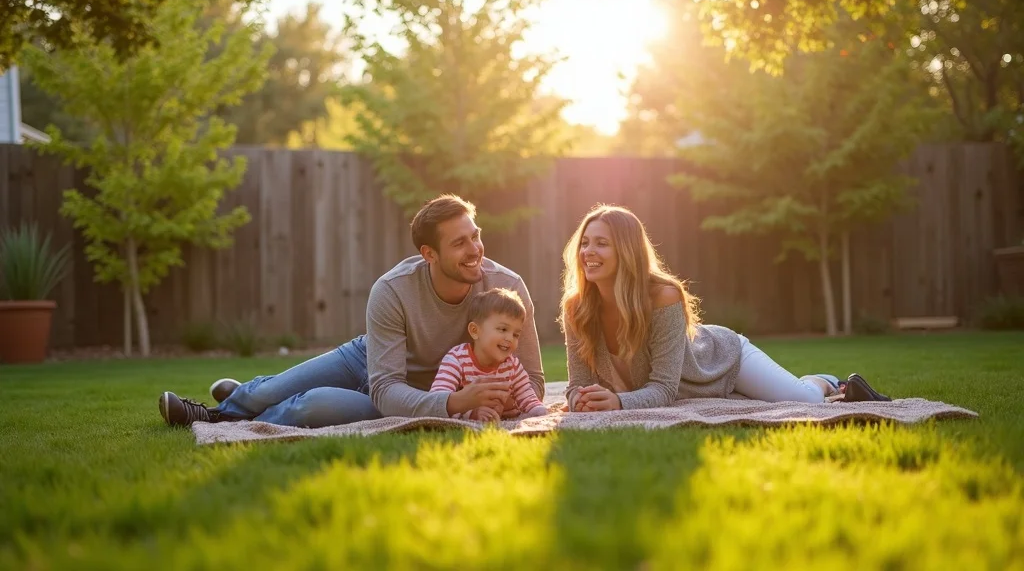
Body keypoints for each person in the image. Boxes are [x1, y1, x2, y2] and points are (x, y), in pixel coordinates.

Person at [158, 194, 546, 428]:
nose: (476, 249)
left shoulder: (507, 287)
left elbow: (531, 378)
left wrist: (482, 401)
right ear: (429, 255)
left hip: (423, 390)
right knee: (276, 388)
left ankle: (246, 412)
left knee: (313, 404)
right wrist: (455, 404)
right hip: (371, 361)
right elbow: (384, 383)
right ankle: (222, 411)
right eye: (460, 243)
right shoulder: (392, 290)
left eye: (475, 235)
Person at [558, 204, 890, 413]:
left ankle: (825, 380)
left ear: (627, 252)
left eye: (601, 243)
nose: (588, 251)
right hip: (693, 385)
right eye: (585, 242)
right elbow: (577, 385)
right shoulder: (576, 308)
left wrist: (618, 401)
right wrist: (581, 401)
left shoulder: (663, 297)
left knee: (806, 402)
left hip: (723, 360)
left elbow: (663, 389)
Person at [430, 288, 550, 421]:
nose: (509, 338)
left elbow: (527, 397)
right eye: (503, 329)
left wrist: (538, 411)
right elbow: (437, 401)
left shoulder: (512, 365)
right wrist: (472, 414)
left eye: (516, 334)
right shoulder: (457, 360)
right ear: (475, 331)